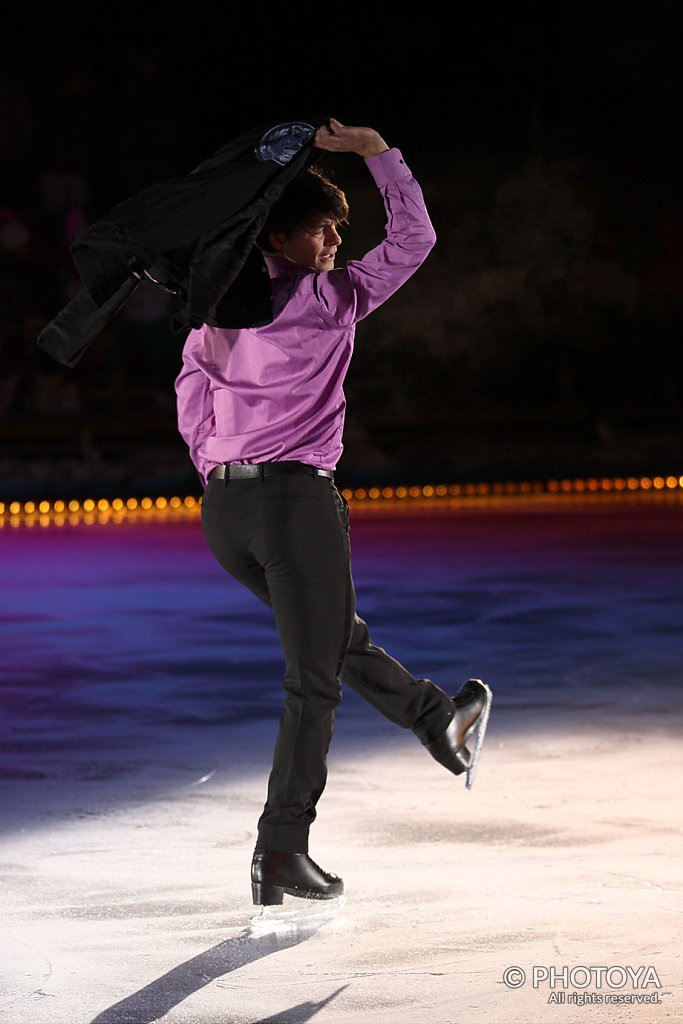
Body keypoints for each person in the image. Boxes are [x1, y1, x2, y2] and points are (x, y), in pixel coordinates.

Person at [175, 118, 491, 908]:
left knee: (333, 640)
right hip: (293, 503)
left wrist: (215, 465)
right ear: (278, 234)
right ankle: (281, 848)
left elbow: (190, 395)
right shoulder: (330, 298)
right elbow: (413, 240)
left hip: (228, 515)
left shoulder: (218, 311)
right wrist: (382, 154)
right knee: (312, 683)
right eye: (324, 227)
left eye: (340, 229)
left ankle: (439, 723)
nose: (337, 241)